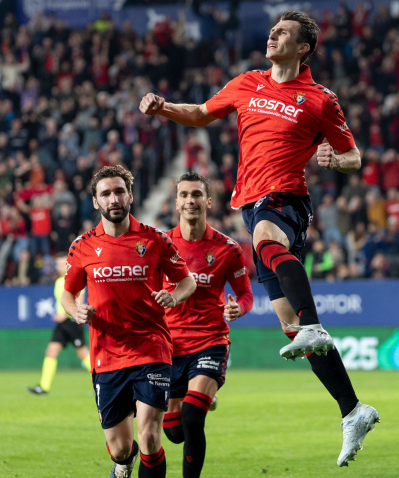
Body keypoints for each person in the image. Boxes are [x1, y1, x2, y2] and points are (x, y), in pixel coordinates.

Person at [139, 11, 378, 467]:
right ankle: (352, 409)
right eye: (273, 29)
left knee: (270, 241)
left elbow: (354, 155)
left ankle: (312, 322)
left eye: (283, 32)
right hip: (251, 206)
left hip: (285, 199)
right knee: (290, 324)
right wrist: (164, 108)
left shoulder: (320, 99)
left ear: (304, 46)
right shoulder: (247, 82)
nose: (272, 35)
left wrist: (332, 159)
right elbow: (201, 114)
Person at [62, 165, 197, 478]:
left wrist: (174, 297)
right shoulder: (82, 246)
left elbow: (187, 281)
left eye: (119, 191)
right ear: (95, 202)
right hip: (106, 355)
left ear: (131, 195)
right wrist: (76, 311)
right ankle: (125, 460)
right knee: (121, 448)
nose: (114, 198)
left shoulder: (155, 240)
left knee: (150, 435)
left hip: (151, 349)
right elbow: (68, 294)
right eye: (106, 193)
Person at [161, 171, 254, 478]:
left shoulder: (227, 248)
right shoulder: (161, 246)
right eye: (185, 195)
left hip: (210, 340)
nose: (191, 200)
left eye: (197, 194)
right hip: (170, 347)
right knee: (174, 431)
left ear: (209, 202)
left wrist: (237, 309)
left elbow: (245, 294)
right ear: (176, 203)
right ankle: (204, 397)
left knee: (191, 416)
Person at [27, 254, 91, 395]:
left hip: (73, 321)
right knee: (51, 351)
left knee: (83, 354)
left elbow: (79, 300)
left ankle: (100, 383)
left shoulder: (75, 279)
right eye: (57, 264)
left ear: (68, 265)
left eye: (62, 264)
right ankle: (43, 387)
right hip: (62, 324)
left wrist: (66, 314)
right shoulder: (58, 281)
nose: (59, 267)